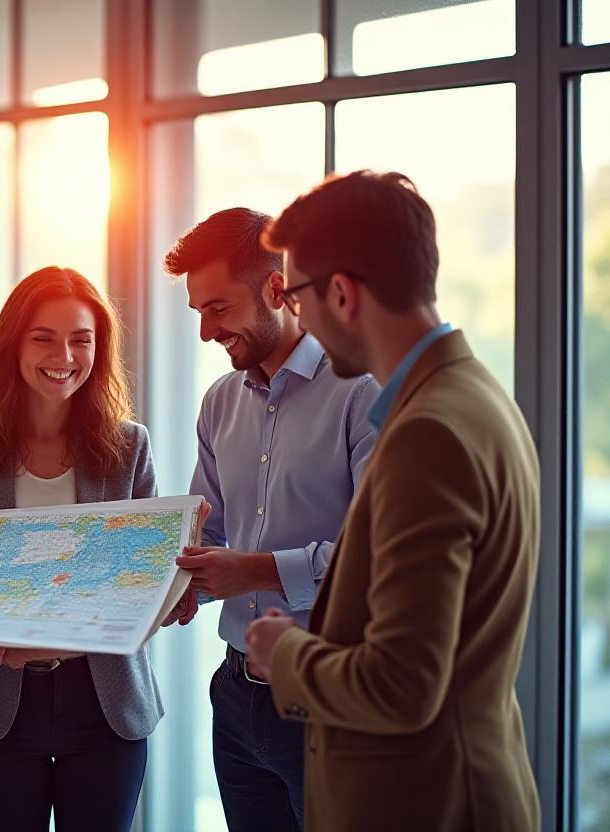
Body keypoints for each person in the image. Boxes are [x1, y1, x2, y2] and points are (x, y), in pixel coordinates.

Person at [245, 170, 541, 831]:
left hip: (428, 805)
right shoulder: (475, 394)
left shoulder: (427, 432)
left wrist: (284, 652)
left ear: (342, 294)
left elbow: (402, 685)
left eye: (295, 296)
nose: (297, 315)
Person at [0, 267, 191, 832]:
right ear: (13, 344)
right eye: (43, 337)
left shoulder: (129, 446)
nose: (65, 355)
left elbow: (145, 587)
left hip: (107, 706)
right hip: (1, 706)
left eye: (81, 339)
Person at [162, 207, 379, 831]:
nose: (206, 332)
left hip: (328, 700)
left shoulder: (360, 391)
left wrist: (252, 572)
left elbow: (376, 559)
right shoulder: (219, 402)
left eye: (218, 309)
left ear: (276, 288)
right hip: (235, 698)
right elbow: (207, 536)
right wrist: (181, 587)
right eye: (198, 312)